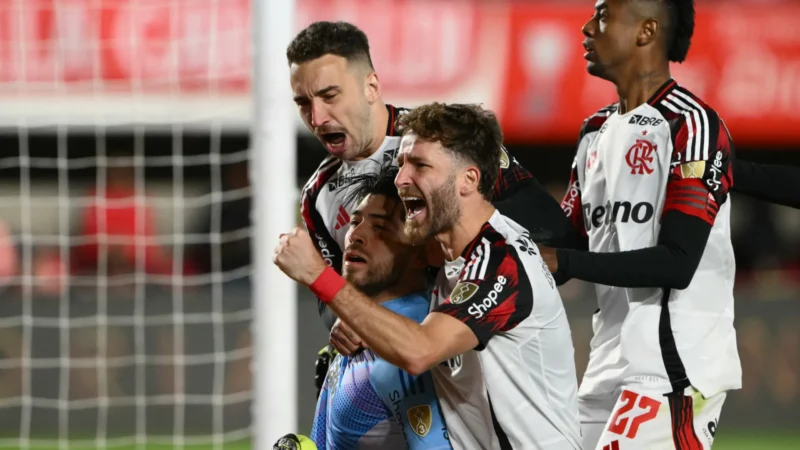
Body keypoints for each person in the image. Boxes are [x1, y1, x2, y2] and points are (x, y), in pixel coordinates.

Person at [275, 103, 581, 450]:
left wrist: (319, 275)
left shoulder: (501, 260)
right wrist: (358, 316)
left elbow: (419, 350)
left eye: (420, 165)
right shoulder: (449, 262)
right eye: (403, 163)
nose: (402, 178)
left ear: (468, 179)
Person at [287, 21, 577, 332]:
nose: (316, 118)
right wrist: (343, 329)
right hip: (399, 359)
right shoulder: (318, 194)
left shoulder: (444, 139)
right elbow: (336, 302)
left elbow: (550, 233)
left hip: (469, 347)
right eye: (303, 103)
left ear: (371, 87)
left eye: (330, 96)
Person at [541, 0, 739, 448]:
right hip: (605, 365)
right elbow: (563, 238)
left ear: (646, 31)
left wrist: (563, 259)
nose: (587, 27)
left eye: (604, 15)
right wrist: (493, 167)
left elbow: (678, 262)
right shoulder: (594, 130)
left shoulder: (693, 126)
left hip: (673, 370)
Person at [300, 164, 451, 449]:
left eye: (380, 227)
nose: (355, 235)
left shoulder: (411, 346)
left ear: (420, 254)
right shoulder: (357, 332)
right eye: (355, 222)